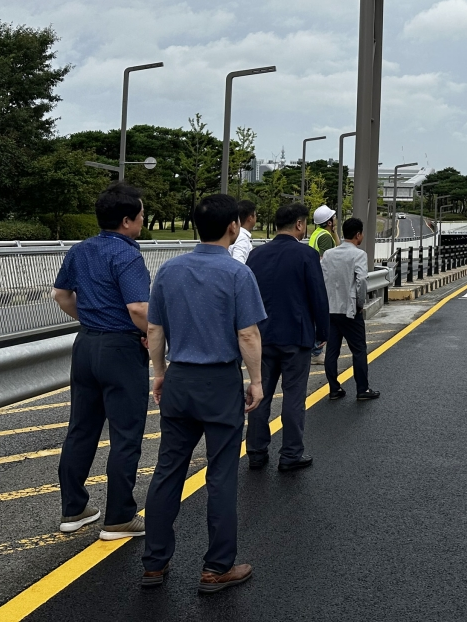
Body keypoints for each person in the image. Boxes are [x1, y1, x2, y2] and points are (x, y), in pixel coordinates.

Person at [141, 193, 266, 593]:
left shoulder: (169, 271)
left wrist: (160, 373)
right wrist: (257, 381)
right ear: (234, 227)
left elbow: (155, 331)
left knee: (167, 471)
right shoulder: (236, 274)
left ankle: (154, 565)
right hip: (219, 383)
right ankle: (216, 568)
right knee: (221, 474)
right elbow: (247, 333)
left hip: (179, 378)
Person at [52, 181, 152, 542]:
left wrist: (91, 317)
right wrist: (157, 336)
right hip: (121, 350)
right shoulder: (127, 254)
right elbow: (138, 308)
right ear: (127, 221)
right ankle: (119, 517)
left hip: (86, 346)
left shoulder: (80, 251)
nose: (143, 221)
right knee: (125, 435)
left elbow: (61, 295)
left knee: (81, 428)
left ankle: (74, 509)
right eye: (141, 216)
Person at [245, 202, 330, 471]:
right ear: (299, 224)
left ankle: (256, 452)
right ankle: (291, 454)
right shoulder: (306, 255)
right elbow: (318, 296)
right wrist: (323, 332)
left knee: (260, 395)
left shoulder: (256, 256)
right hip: (297, 336)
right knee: (294, 397)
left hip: (261, 337)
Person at [321, 217, 381, 402]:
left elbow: (322, 279)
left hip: (331, 309)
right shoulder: (359, 255)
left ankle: (334, 389)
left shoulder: (329, 254)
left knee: (332, 350)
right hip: (350, 310)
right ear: (358, 234)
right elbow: (362, 280)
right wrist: (360, 303)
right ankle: (362, 389)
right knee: (358, 350)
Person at [307, 206, 335, 363]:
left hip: (316, 276)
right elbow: (327, 258)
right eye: (333, 218)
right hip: (323, 279)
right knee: (321, 315)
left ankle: (315, 349)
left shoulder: (317, 233)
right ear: (329, 222)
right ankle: (317, 351)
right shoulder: (324, 236)